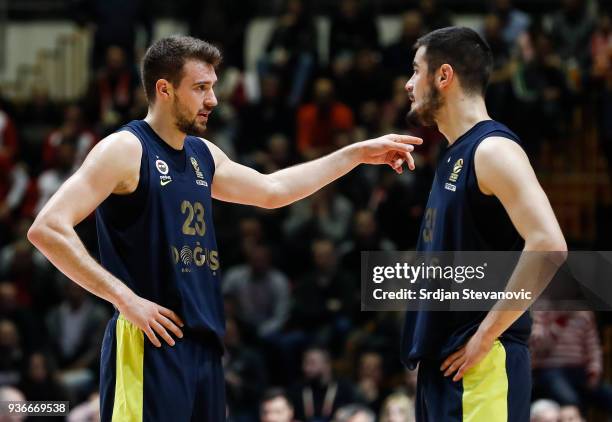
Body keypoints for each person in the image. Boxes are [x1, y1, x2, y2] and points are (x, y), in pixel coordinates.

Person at [27, 35, 421, 421]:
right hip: (150, 342)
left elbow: (274, 190)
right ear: (164, 89)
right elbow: (47, 228)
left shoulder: (203, 154)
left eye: (212, 87)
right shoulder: (125, 149)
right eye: (200, 88)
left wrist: (355, 154)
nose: (212, 100)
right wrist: (123, 298)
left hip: (205, 344)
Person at [401, 27, 567, 421]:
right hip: (444, 368)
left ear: (444, 76)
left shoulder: (492, 150)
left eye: (415, 71)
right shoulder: (451, 156)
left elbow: (549, 244)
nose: (408, 84)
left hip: (481, 364)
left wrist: (486, 335)